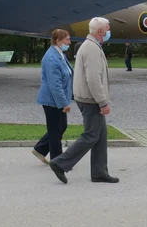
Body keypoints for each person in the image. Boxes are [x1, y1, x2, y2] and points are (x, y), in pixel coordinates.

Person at [49, 17, 119, 185]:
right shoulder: (92, 48)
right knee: (90, 135)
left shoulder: (91, 46)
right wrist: (103, 102)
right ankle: (60, 163)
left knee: (100, 136)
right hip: (91, 100)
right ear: (101, 31)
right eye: (108, 29)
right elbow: (93, 79)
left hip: (88, 98)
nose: (110, 31)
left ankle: (100, 172)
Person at [32, 29, 74, 164]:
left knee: (61, 127)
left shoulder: (60, 54)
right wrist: (64, 103)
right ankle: (58, 162)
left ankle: (40, 149)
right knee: (56, 130)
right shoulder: (51, 58)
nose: (69, 42)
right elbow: (55, 85)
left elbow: (67, 76)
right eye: (67, 39)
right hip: (52, 100)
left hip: (58, 100)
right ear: (58, 40)